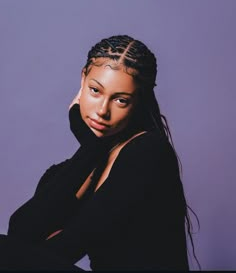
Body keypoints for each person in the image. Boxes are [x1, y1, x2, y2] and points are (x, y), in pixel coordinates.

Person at [0, 35, 200, 270]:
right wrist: (91, 146)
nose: (102, 111)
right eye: (95, 90)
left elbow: (66, 248)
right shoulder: (70, 169)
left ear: (138, 102)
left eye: (121, 100)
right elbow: (20, 234)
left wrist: (91, 144)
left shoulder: (148, 153)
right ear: (83, 78)